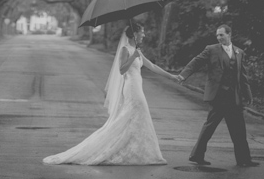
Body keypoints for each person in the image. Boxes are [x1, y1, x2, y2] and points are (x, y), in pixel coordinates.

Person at [43, 22, 177, 165]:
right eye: (142, 32)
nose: (144, 35)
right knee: (136, 114)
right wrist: (133, 57)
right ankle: (128, 148)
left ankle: (139, 150)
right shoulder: (126, 50)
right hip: (131, 88)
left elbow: (152, 66)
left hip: (138, 87)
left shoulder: (137, 50)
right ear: (135, 34)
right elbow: (121, 70)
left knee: (135, 117)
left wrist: (172, 77)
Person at [177, 23, 258, 167]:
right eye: (217, 35)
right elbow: (196, 62)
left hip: (234, 97)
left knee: (239, 129)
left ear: (229, 34)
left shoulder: (239, 52)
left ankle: (244, 160)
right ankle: (197, 155)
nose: (219, 37)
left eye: (221, 34)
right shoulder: (211, 50)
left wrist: (248, 94)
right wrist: (183, 75)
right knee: (209, 127)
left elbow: (243, 76)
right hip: (218, 96)